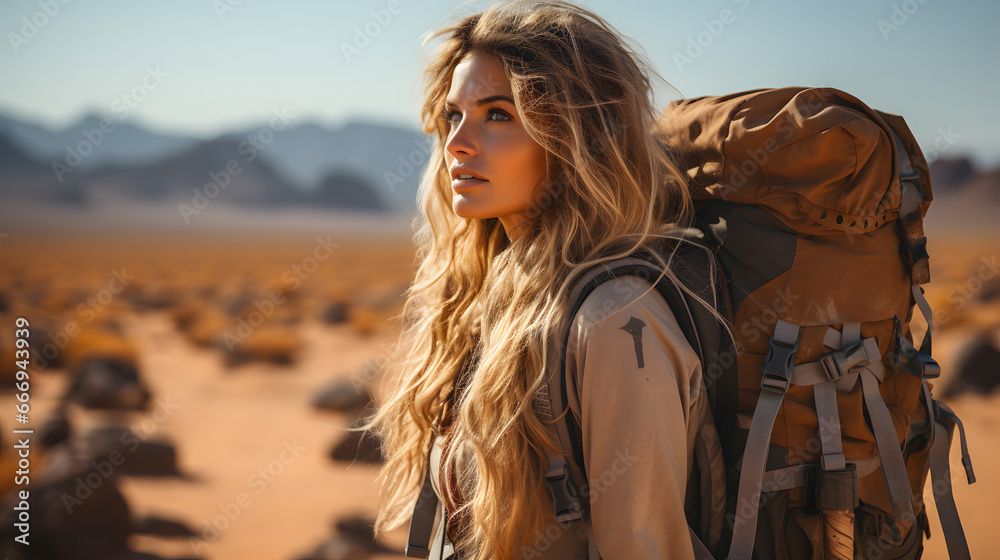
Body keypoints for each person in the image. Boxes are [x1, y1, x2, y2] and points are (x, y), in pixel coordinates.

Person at [359, 1, 734, 558]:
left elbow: (643, 547)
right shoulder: (494, 296)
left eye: (499, 114)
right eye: (453, 115)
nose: (458, 143)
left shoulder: (614, 320)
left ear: (575, 137)